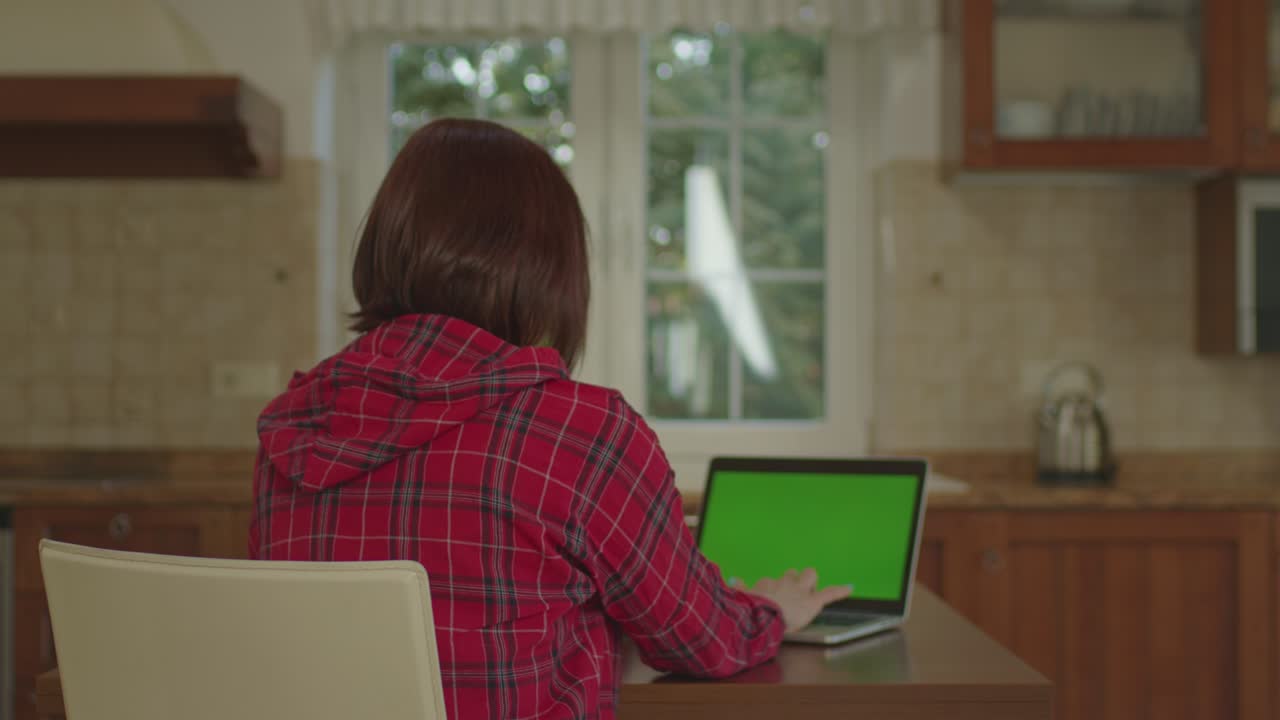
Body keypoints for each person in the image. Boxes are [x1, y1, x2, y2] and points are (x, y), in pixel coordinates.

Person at [250, 118, 849, 720]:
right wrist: (771, 610)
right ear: (548, 272)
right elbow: (696, 638)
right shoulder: (580, 434)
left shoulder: (294, 426)